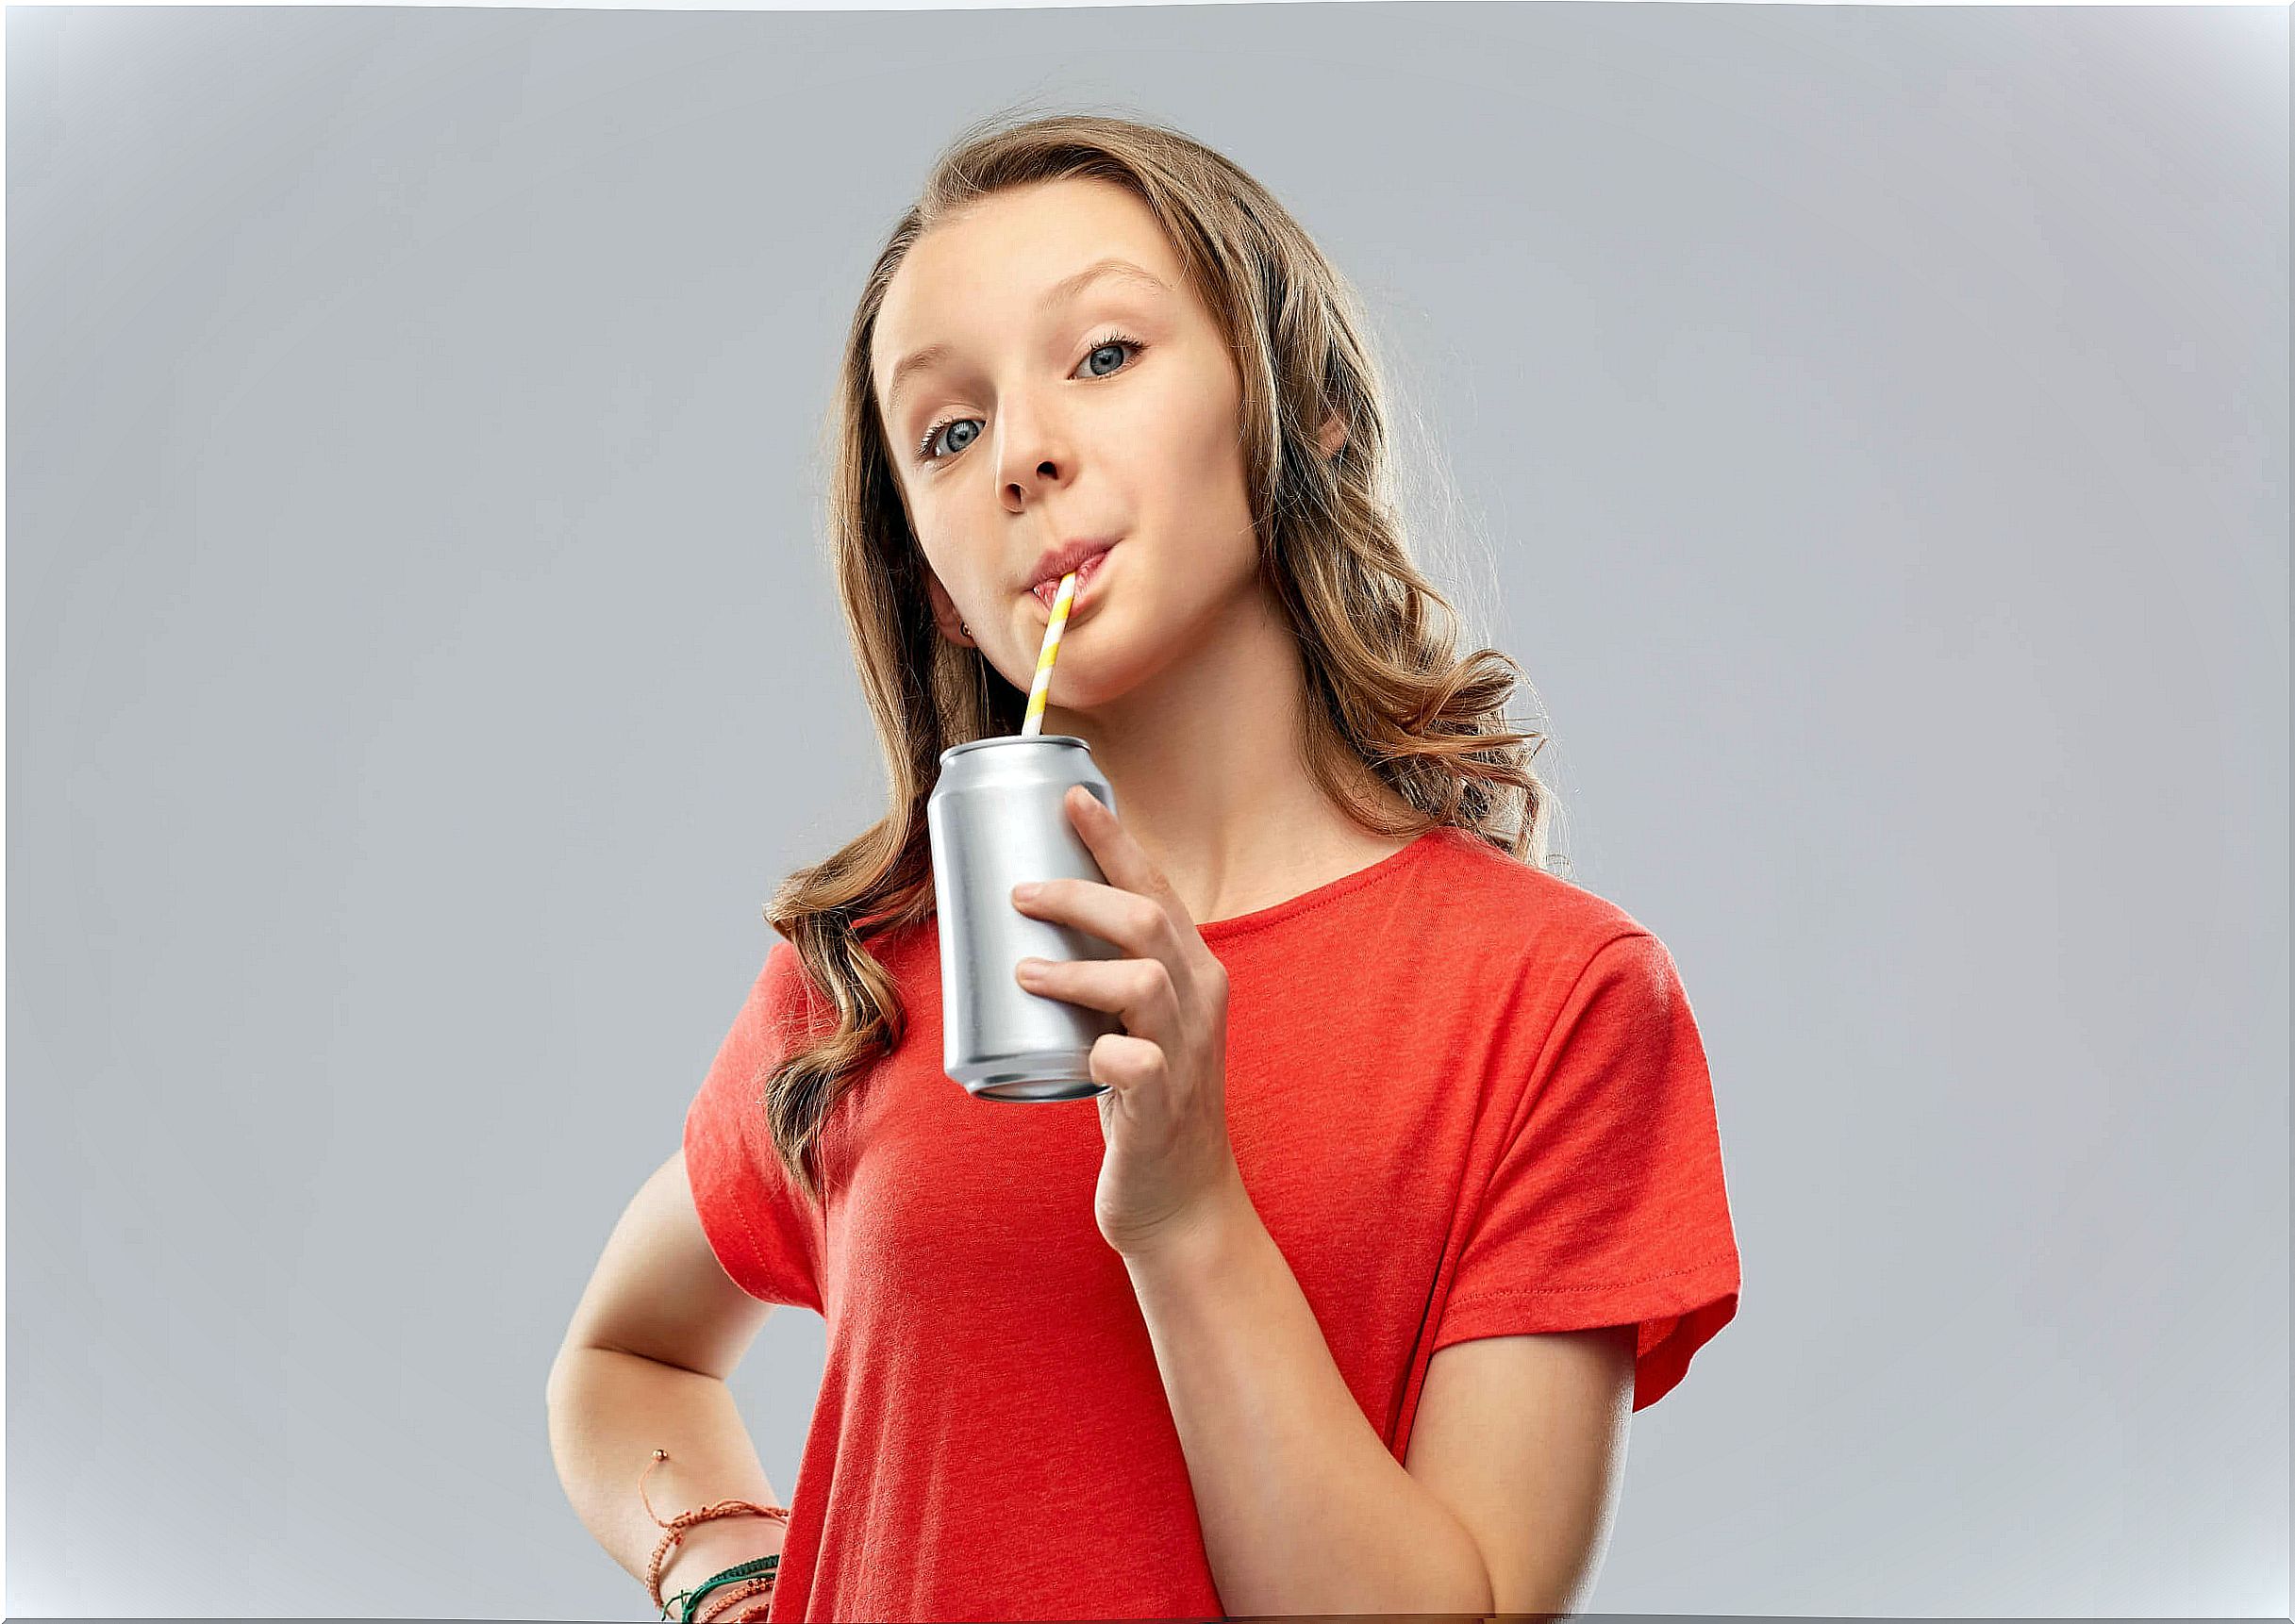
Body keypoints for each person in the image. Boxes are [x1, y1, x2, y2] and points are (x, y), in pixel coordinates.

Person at [548, 108, 1741, 1624]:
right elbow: (625, 1355)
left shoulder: (1553, 999)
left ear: (1299, 411)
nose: (1025, 456)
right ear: (936, 588)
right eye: (948, 429)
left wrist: (1185, 1206)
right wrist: (724, 1570)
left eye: (1103, 355)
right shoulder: (872, 968)